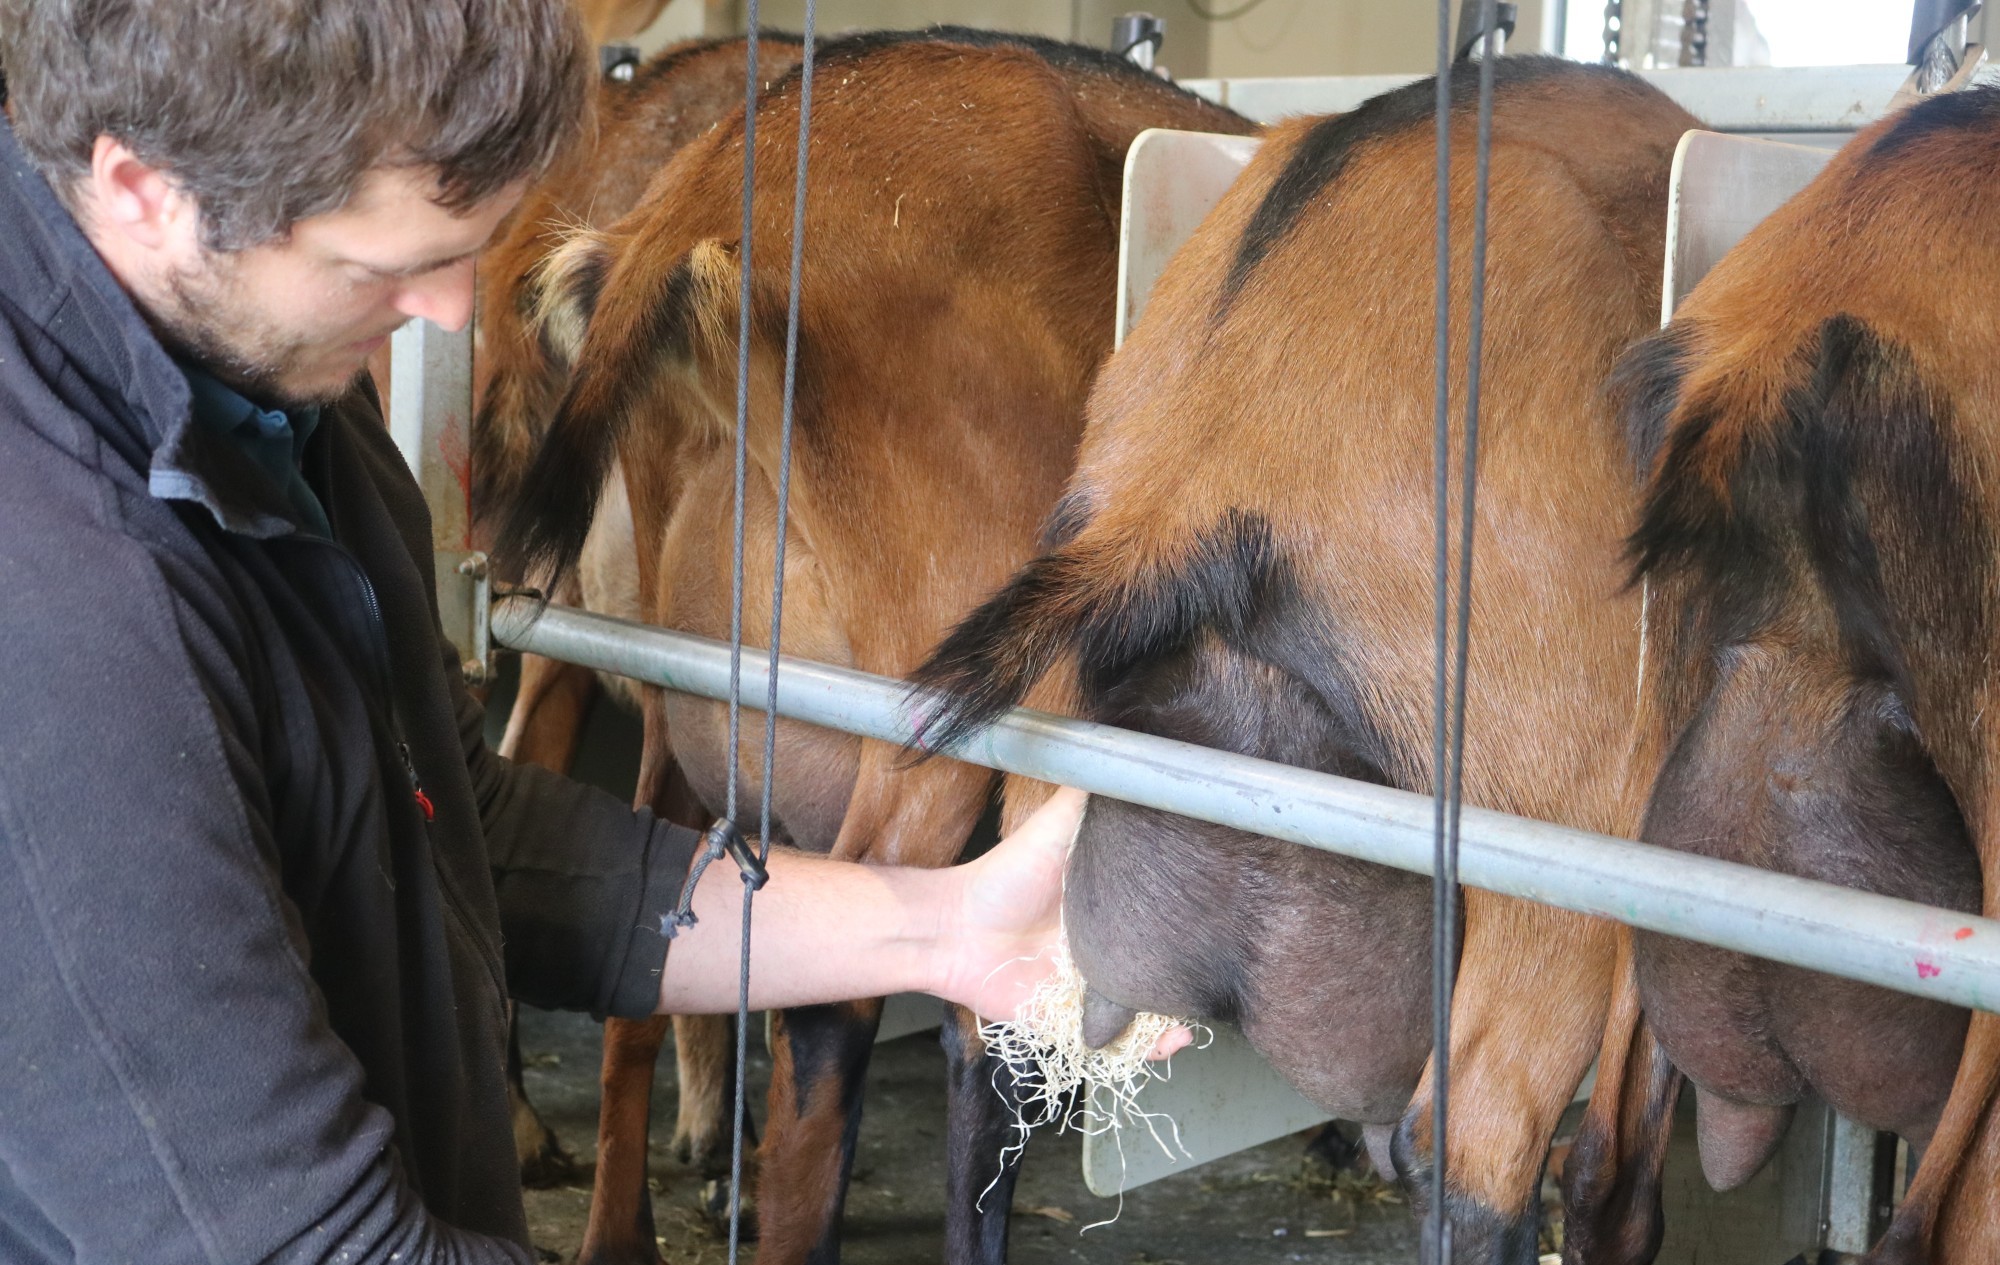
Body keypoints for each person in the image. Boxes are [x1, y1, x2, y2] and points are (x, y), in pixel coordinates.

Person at [0, 4, 1180, 1261]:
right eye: (382, 264)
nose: (452, 311)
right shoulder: (62, 614)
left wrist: (949, 923)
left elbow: (453, 829)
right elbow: (307, 1246)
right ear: (143, 188)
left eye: (477, 246)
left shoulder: (276, 408)